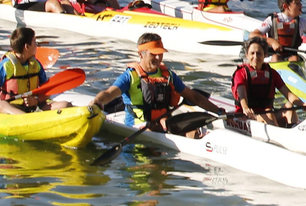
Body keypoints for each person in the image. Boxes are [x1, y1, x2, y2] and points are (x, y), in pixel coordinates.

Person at [90, 33, 219, 133]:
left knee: (192, 129)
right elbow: (109, 93)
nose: (158, 58)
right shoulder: (130, 76)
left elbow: (193, 96)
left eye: (161, 53)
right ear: (141, 54)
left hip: (163, 125)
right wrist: (98, 101)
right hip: (137, 128)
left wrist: (218, 111)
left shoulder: (168, 75)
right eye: (154, 54)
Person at [0, 27, 68, 114]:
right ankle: (23, 117)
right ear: (27, 46)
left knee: (65, 105)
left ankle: (28, 117)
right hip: (13, 106)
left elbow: (47, 91)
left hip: (34, 106)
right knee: (0, 105)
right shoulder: (5, 65)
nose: (37, 46)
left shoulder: (36, 64)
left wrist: (36, 100)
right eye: (34, 42)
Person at [232, 38, 306, 127]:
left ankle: (292, 130)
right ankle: (280, 137)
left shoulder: (272, 73)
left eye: (259, 53)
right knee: (269, 114)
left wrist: (302, 104)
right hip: (246, 116)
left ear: (265, 55)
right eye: (252, 53)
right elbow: (242, 95)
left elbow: (288, 94)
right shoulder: (241, 73)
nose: (256, 57)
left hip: (267, 114)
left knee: (289, 107)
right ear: (247, 55)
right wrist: (245, 108)